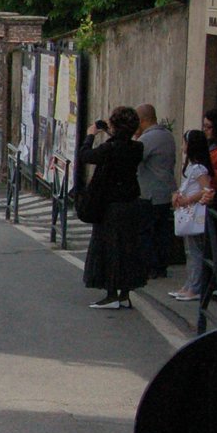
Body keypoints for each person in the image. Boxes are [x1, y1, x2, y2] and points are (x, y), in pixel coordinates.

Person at [79, 106, 148, 309]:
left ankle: (111, 295)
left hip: (110, 206)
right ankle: (124, 294)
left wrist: (90, 135)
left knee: (108, 249)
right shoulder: (137, 148)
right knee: (127, 249)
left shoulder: (109, 149)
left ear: (115, 127)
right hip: (131, 204)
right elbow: (122, 143)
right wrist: (111, 131)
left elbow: (85, 156)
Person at [167, 130, 213, 302]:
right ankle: (189, 285)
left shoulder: (199, 168)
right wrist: (177, 195)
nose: (182, 146)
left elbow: (206, 189)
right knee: (191, 252)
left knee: (196, 252)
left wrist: (187, 199)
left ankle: (195, 287)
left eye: (185, 142)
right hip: (189, 211)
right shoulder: (193, 167)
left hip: (195, 213)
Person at [134, 104, 176, 279]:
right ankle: (160, 266)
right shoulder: (167, 135)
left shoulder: (148, 139)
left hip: (150, 193)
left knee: (147, 232)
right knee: (162, 231)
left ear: (143, 120)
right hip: (166, 191)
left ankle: (151, 266)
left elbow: (134, 157)